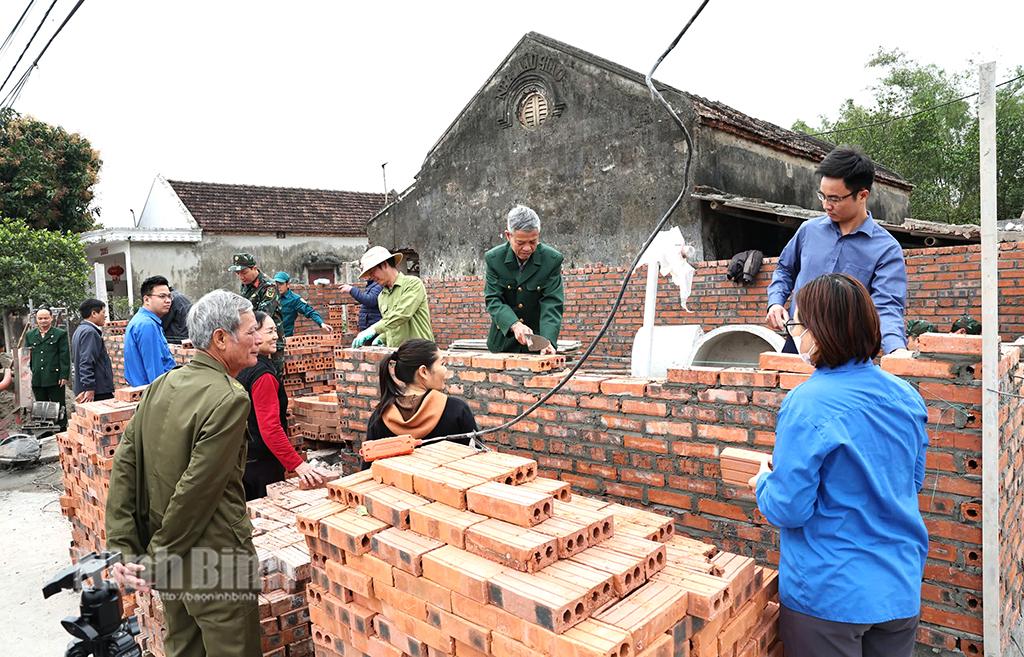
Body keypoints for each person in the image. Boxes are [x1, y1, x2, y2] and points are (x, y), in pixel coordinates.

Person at [751, 273, 928, 657]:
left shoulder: (807, 403)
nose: (796, 334)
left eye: (799, 325)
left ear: (820, 331)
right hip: (898, 585)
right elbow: (911, 481)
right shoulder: (906, 396)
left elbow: (789, 507)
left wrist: (764, 481)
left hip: (830, 594)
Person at [105, 290, 263, 657]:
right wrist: (155, 558)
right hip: (217, 560)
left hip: (170, 555)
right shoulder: (230, 397)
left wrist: (126, 547)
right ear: (221, 338)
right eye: (251, 331)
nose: (258, 339)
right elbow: (198, 491)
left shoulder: (163, 384)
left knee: (184, 647)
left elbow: (126, 465)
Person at [766, 146, 910, 356]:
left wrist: (896, 349)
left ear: (862, 195)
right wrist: (775, 303)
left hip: (846, 352)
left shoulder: (885, 249)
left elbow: (886, 306)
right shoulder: (809, 231)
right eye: (822, 196)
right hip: (799, 341)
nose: (826, 205)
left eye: (834, 199)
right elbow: (785, 270)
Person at [237, 311, 333, 499]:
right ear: (254, 334)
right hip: (261, 465)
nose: (276, 336)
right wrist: (298, 464)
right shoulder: (262, 375)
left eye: (276, 331)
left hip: (243, 459)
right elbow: (270, 428)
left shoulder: (241, 365)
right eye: (270, 331)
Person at [484, 205, 563, 355]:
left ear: (538, 234)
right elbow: (493, 299)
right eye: (520, 243)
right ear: (508, 236)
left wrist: (546, 341)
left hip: (537, 344)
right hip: (503, 343)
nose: (527, 248)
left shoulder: (551, 260)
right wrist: (514, 324)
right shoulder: (494, 259)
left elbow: (552, 303)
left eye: (533, 242)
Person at [366, 339, 477, 444]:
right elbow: (478, 456)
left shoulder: (379, 417)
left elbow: (369, 462)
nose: (445, 369)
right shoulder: (456, 410)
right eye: (442, 364)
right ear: (423, 371)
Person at [351, 247, 434, 348]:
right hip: (397, 354)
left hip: (420, 352)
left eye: (372, 272)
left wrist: (373, 329)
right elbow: (391, 325)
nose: (371, 277)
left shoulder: (413, 284)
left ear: (384, 264)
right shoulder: (382, 296)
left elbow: (402, 314)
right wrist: (382, 338)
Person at [229, 252, 285, 361]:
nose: (241, 277)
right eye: (238, 273)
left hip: (270, 338)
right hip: (253, 335)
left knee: (273, 372)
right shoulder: (246, 284)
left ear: (254, 268)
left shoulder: (269, 286)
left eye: (244, 272)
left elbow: (264, 314)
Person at [124, 275, 176, 386]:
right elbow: (155, 370)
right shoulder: (147, 325)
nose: (168, 301)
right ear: (146, 299)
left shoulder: (142, 321)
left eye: (169, 296)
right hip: (151, 393)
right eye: (162, 296)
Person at [25, 307, 70, 430]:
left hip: (54, 377)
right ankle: (44, 431)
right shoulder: (30, 335)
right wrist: (27, 376)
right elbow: (26, 356)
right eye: (40, 318)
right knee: (40, 406)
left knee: (59, 405)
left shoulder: (59, 334)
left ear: (51, 318)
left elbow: (64, 355)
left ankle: (62, 430)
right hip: (37, 377)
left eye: (46, 318)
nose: (43, 321)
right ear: (36, 320)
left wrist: (64, 375)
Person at [72, 299, 115, 403]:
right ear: (94, 313)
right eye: (103, 312)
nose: (105, 316)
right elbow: (86, 361)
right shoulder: (90, 332)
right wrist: (89, 387)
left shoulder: (80, 330)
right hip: (97, 391)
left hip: (89, 389)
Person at [272, 271, 334, 337]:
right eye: (276, 284)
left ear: (287, 284)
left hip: (284, 338)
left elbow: (310, 311)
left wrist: (321, 323)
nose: (278, 287)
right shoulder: (270, 296)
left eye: (281, 284)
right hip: (269, 337)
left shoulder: (295, 299)